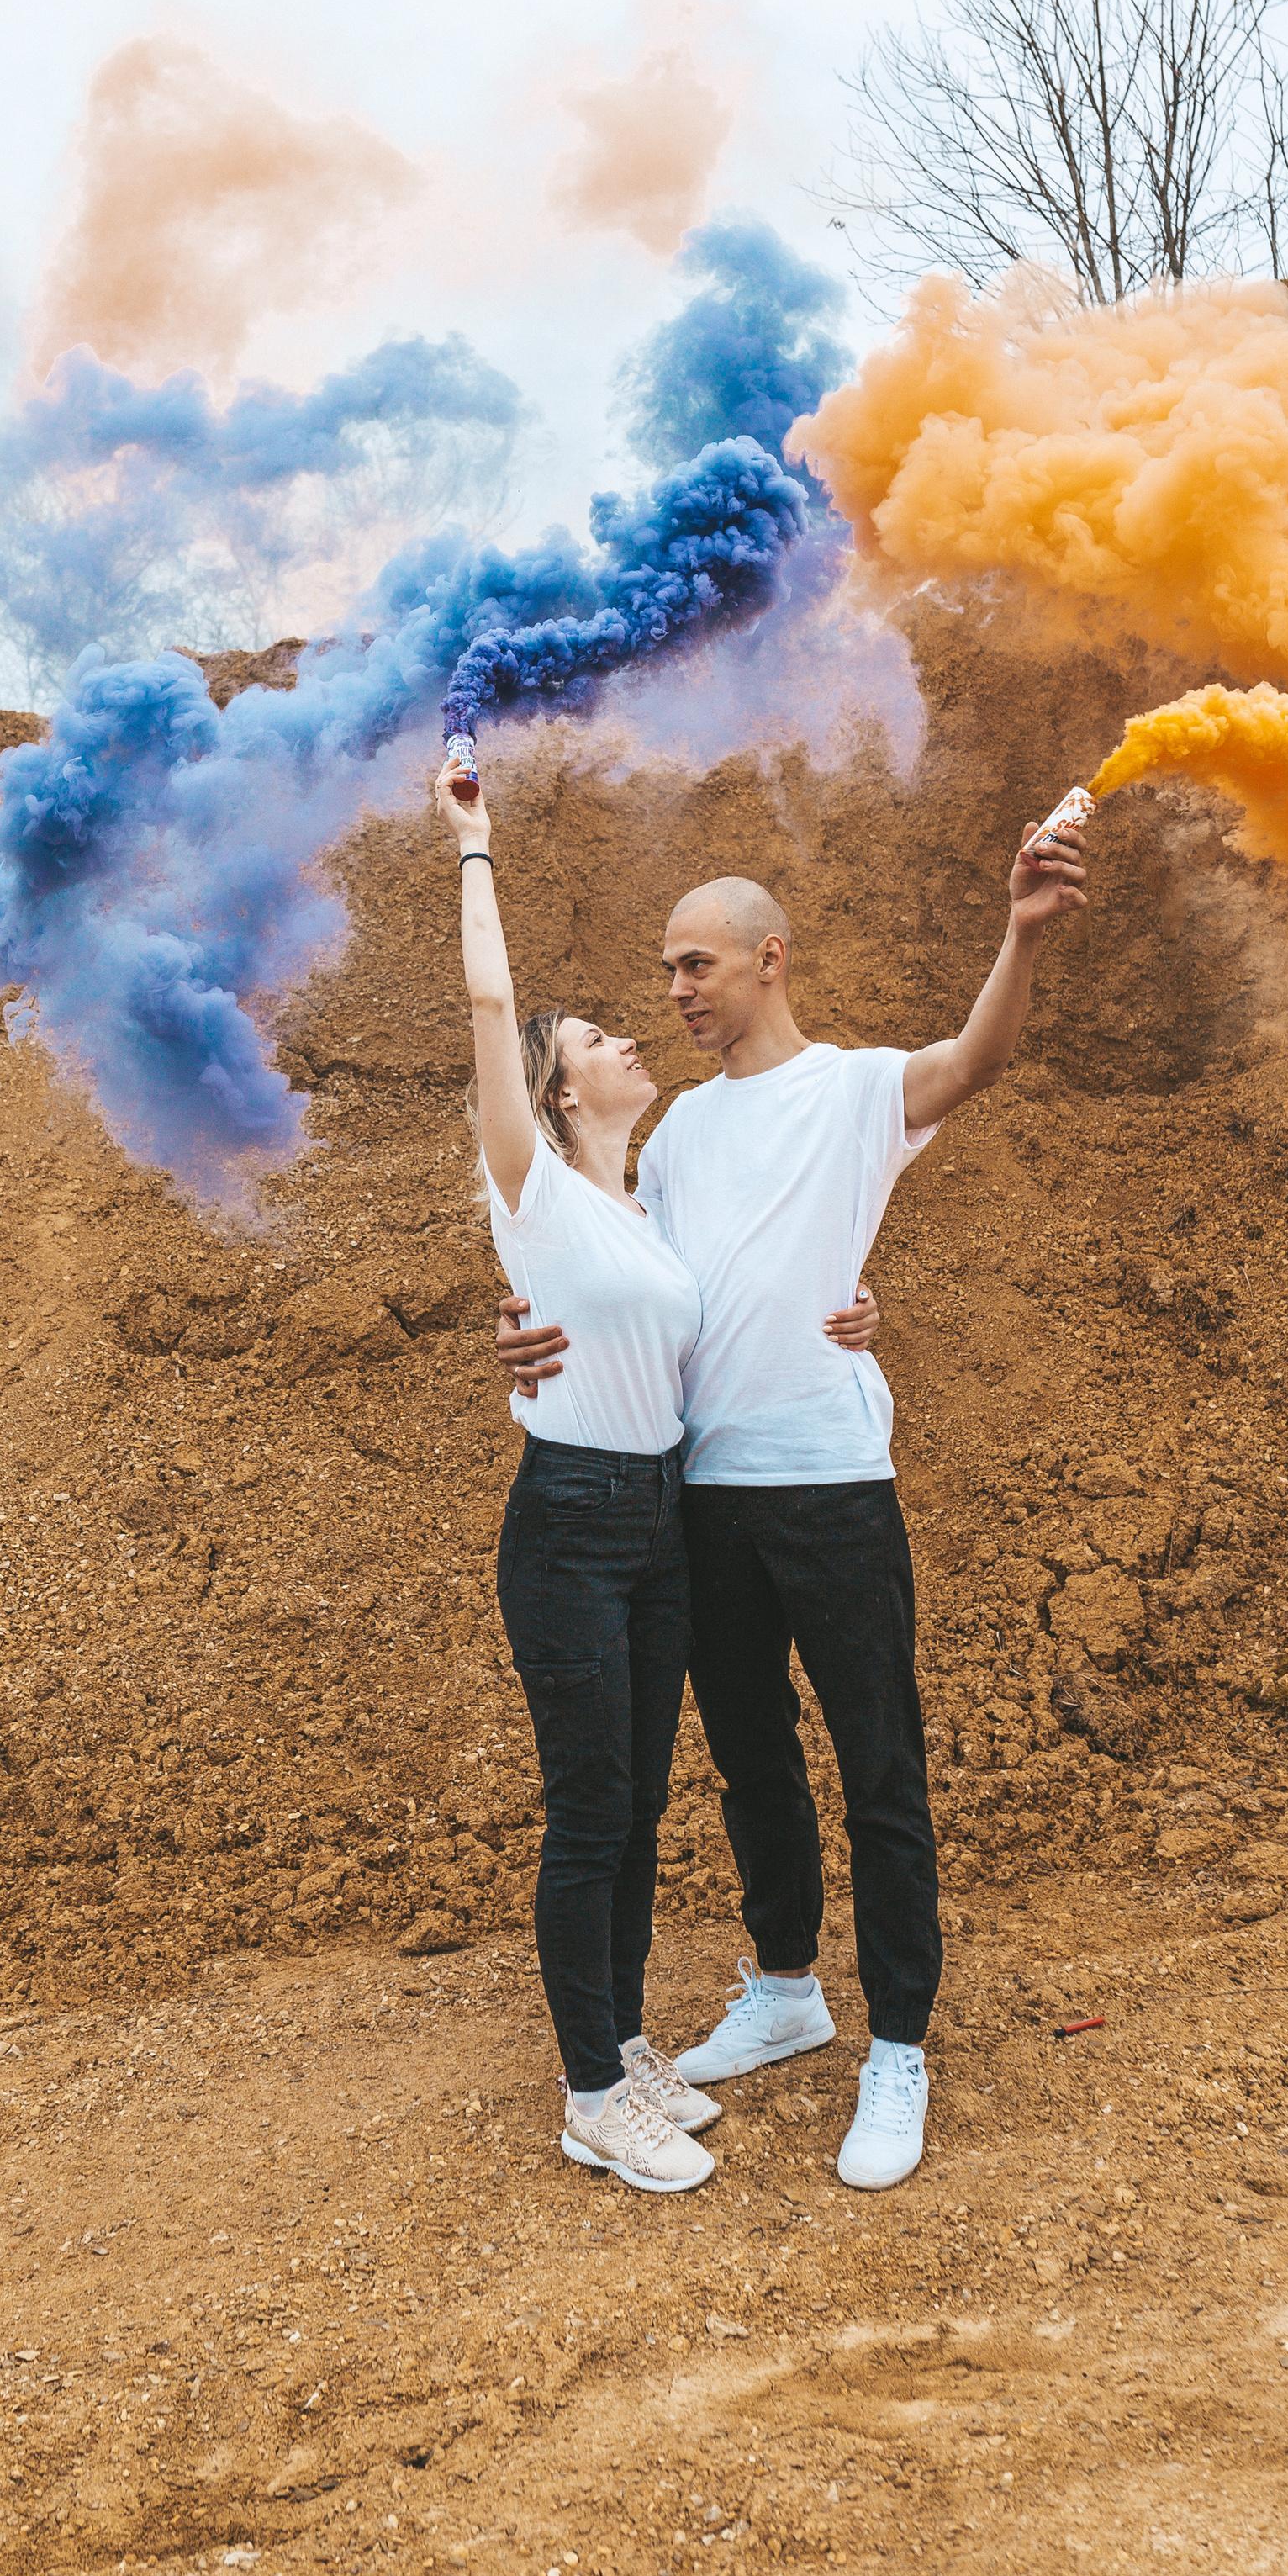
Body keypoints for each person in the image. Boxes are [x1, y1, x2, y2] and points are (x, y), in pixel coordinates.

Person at [499, 823, 1087, 2190]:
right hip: (699, 1494)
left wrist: (1023, 932)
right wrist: (513, 1325)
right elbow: (607, 1262)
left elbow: (977, 1061)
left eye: (696, 965)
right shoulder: (679, 1129)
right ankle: (784, 1988)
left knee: (880, 1767)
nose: (678, 991)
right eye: (665, 970)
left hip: (833, 1485)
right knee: (751, 1759)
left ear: (770, 960)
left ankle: (898, 2045)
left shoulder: (859, 1090)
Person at [435, 757, 884, 2194]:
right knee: (588, 1810)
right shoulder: (538, 1181)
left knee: (631, 1804)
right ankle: (586, 2094)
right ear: (563, 1091)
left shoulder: (653, 1197)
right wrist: (473, 849)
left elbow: (750, 1298)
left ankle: (622, 2046)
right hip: (570, 1524)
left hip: (662, 1524)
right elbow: (493, 1015)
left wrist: (861, 1315)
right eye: (605, 1036)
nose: (640, 1037)